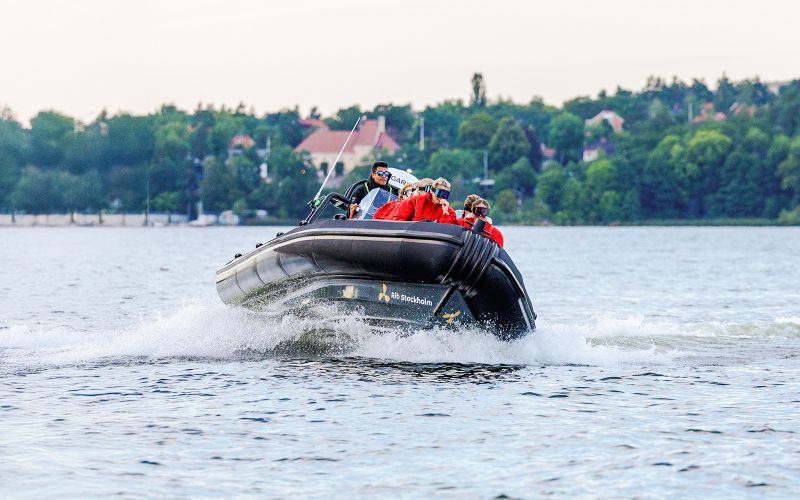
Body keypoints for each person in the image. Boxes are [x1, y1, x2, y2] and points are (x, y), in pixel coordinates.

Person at [389, 177, 457, 224]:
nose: (441, 197)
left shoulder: (449, 211)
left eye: (445, 194)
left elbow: (447, 231)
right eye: (439, 193)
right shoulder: (414, 201)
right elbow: (398, 220)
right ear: (432, 191)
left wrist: (445, 214)